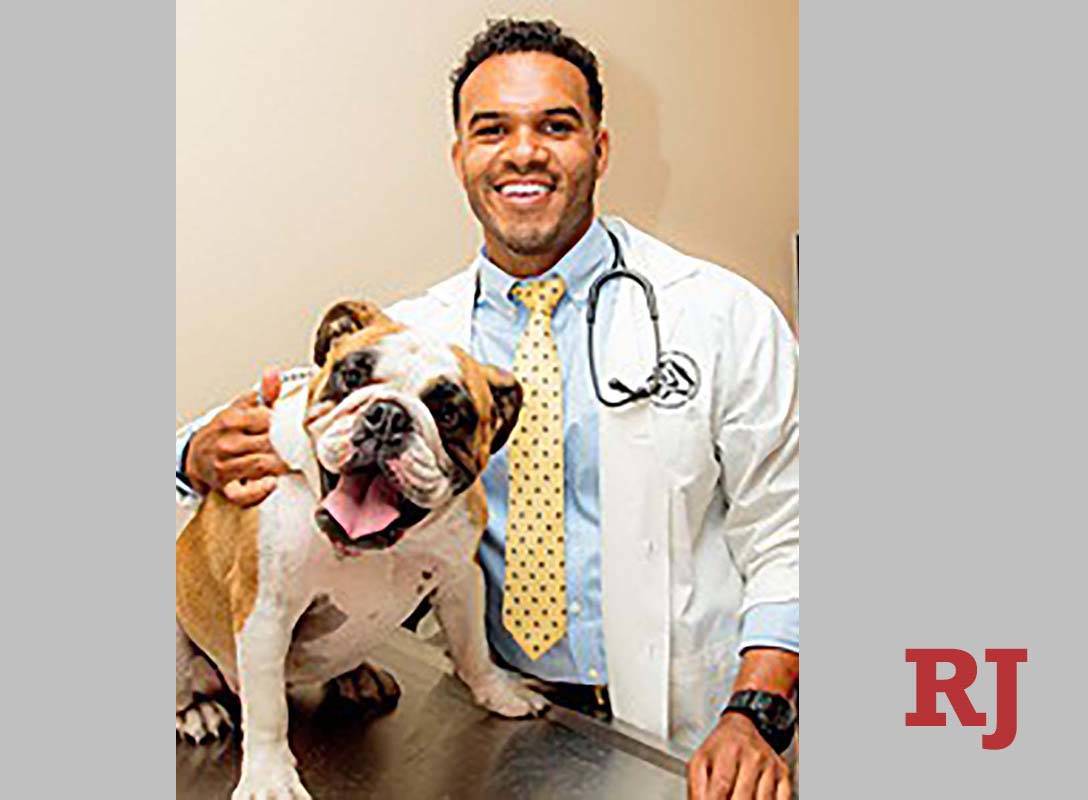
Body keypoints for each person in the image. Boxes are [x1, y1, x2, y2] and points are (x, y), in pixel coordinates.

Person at [176, 19, 799, 800]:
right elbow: (275, 434)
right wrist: (192, 454)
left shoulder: (723, 316)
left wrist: (755, 713)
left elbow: (791, 535)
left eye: (557, 126)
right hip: (500, 721)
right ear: (461, 157)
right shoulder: (406, 345)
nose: (524, 151)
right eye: (492, 129)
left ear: (599, 149)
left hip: (693, 736)